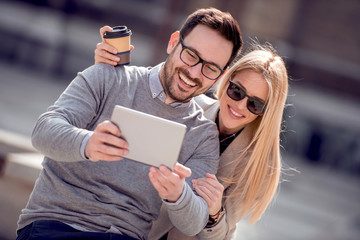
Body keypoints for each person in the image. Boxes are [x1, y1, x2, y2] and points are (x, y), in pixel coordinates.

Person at [16, 8, 242, 240]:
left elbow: (194, 223)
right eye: (191, 55)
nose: (194, 72)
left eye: (211, 68)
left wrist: (178, 195)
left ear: (221, 76)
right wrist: (88, 143)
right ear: (174, 43)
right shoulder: (107, 77)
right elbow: (42, 131)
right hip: (58, 225)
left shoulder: (202, 135)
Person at [95, 37, 288, 239]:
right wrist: (106, 68)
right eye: (236, 91)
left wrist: (215, 214)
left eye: (255, 104)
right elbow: (145, 94)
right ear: (226, 79)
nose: (240, 106)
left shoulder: (259, 165)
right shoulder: (191, 105)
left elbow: (222, 236)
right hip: (133, 227)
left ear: (267, 112)